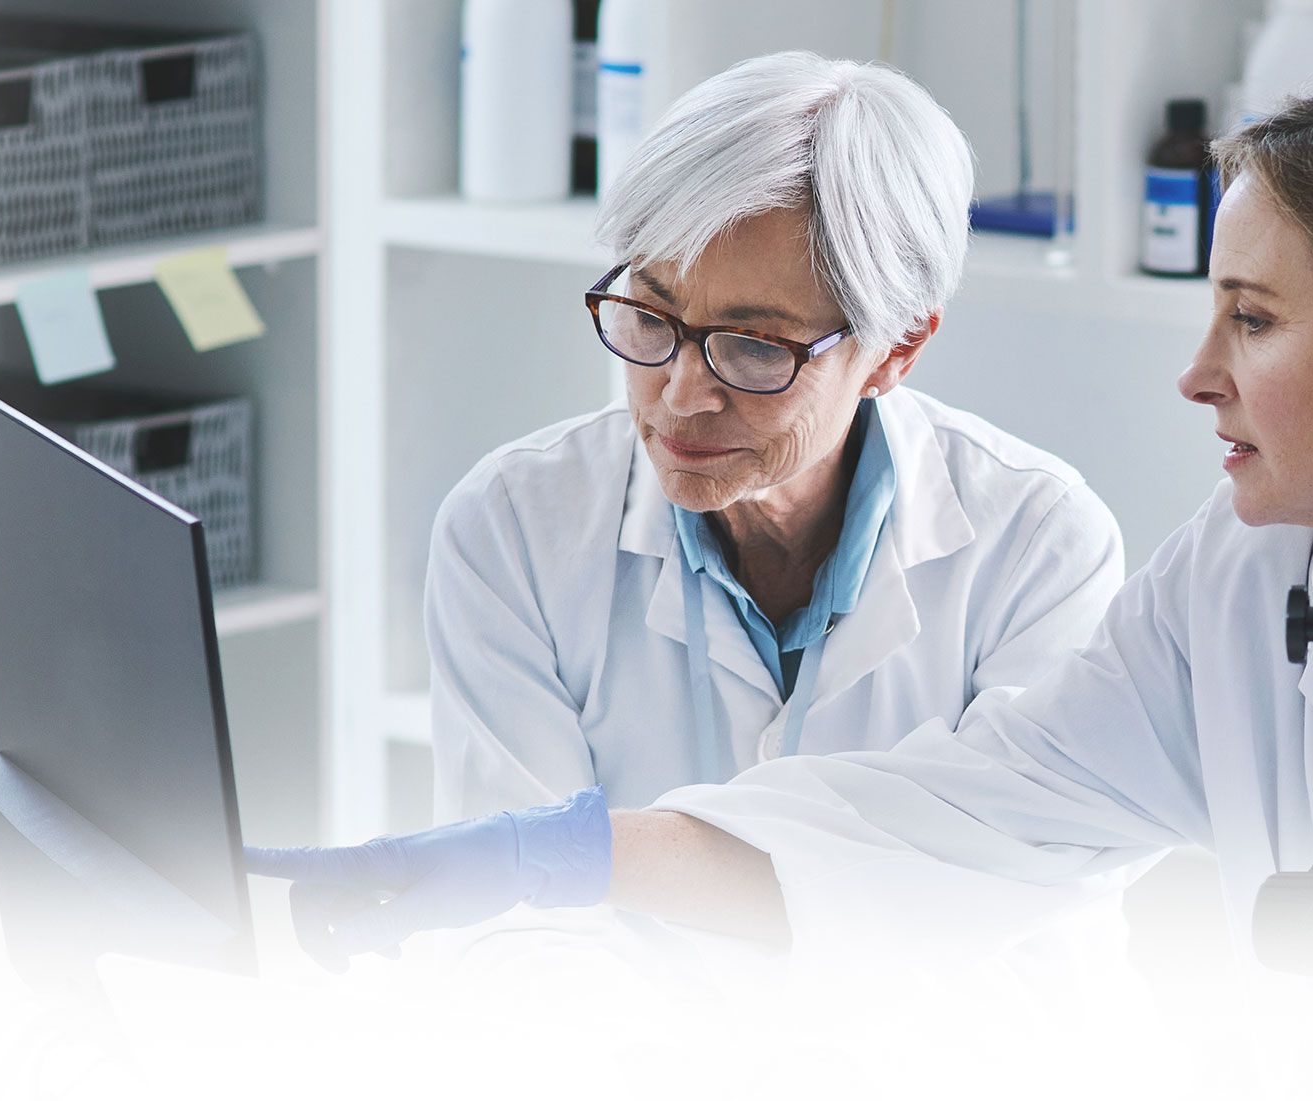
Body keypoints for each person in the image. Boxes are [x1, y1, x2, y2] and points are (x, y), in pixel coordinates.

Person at [256, 63, 1313, 987]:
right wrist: (546, 856)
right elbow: (931, 825)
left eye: (1256, 323)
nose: (1200, 377)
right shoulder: (1239, 586)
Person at [274, 53, 1127, 952]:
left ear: (895, 350)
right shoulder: (516, 525)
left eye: (756, 348)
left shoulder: (1040, 547)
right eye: (651, 315)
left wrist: (594, 856)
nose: (681, 395)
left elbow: (991, 891)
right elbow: (527, 926)